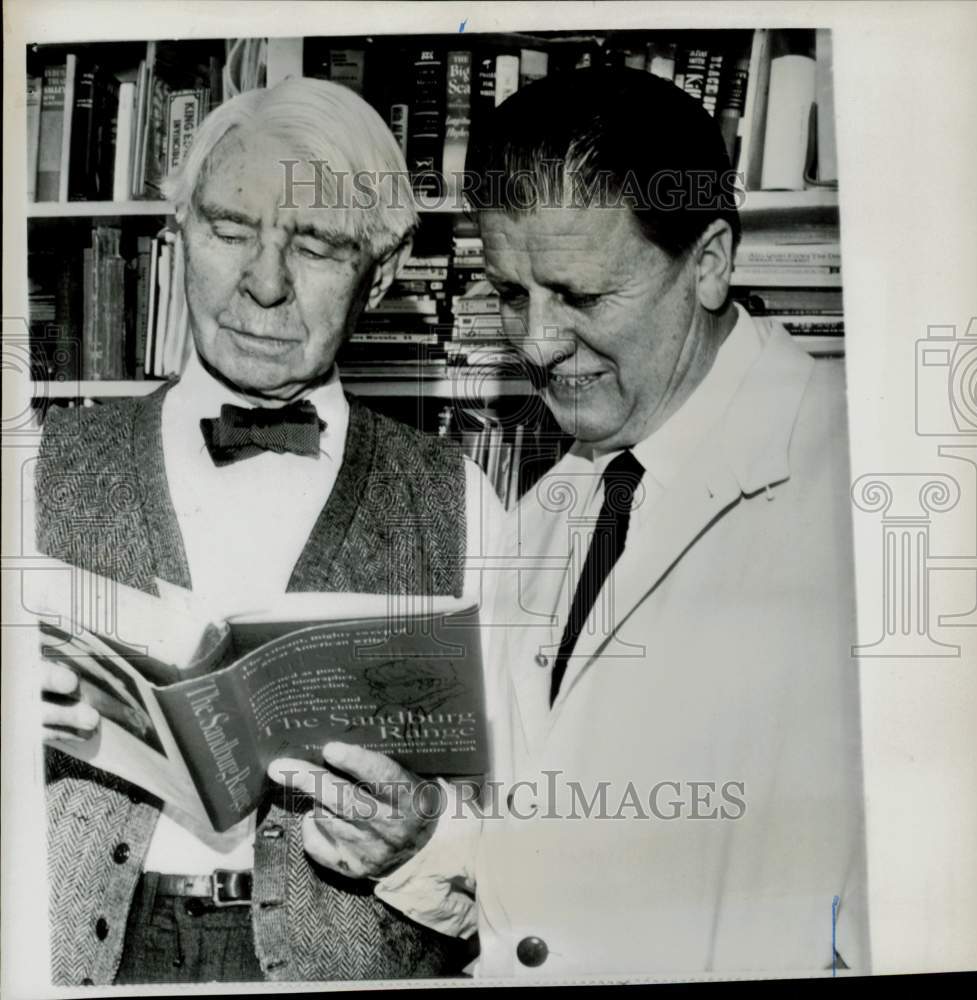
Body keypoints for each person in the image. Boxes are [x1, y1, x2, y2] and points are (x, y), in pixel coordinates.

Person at [270, 68, 870, 979]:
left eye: (580, 297)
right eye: (512, 294)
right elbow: (544, 865)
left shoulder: (867, 482)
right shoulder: (554, 504)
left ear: (707, 262)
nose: (538, 344)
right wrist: (422, 841)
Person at [34, 77, 499, 985]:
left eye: (317, 244)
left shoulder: (463, 498)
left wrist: (429, 834)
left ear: (386, 268)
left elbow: (532, 825)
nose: (264, 284)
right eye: (231, 229)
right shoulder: (35, 464)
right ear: (177, 235)